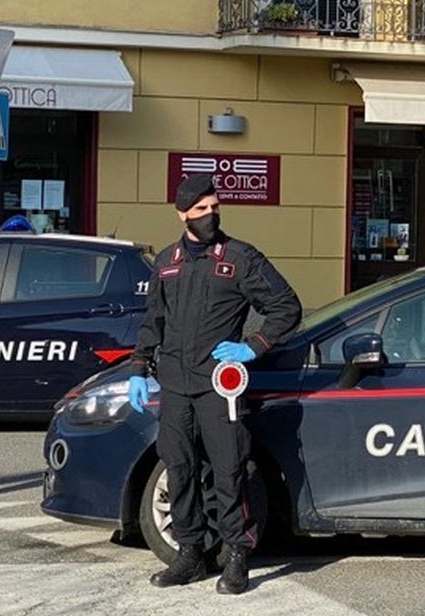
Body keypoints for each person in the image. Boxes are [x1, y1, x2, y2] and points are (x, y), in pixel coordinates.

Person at [127, 174, 302, 595]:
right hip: (174, 384)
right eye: (201, 209)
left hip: (218, 387)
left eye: (215, 206)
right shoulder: (167, 261)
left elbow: (286, 307)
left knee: (230, 471)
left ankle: (237, 555)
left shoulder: (240, 258)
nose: (211, 215)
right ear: (182, 213)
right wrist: (138, 366)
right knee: (181, 468)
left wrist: (252, 347)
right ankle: (190, 554)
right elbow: (154, 321)